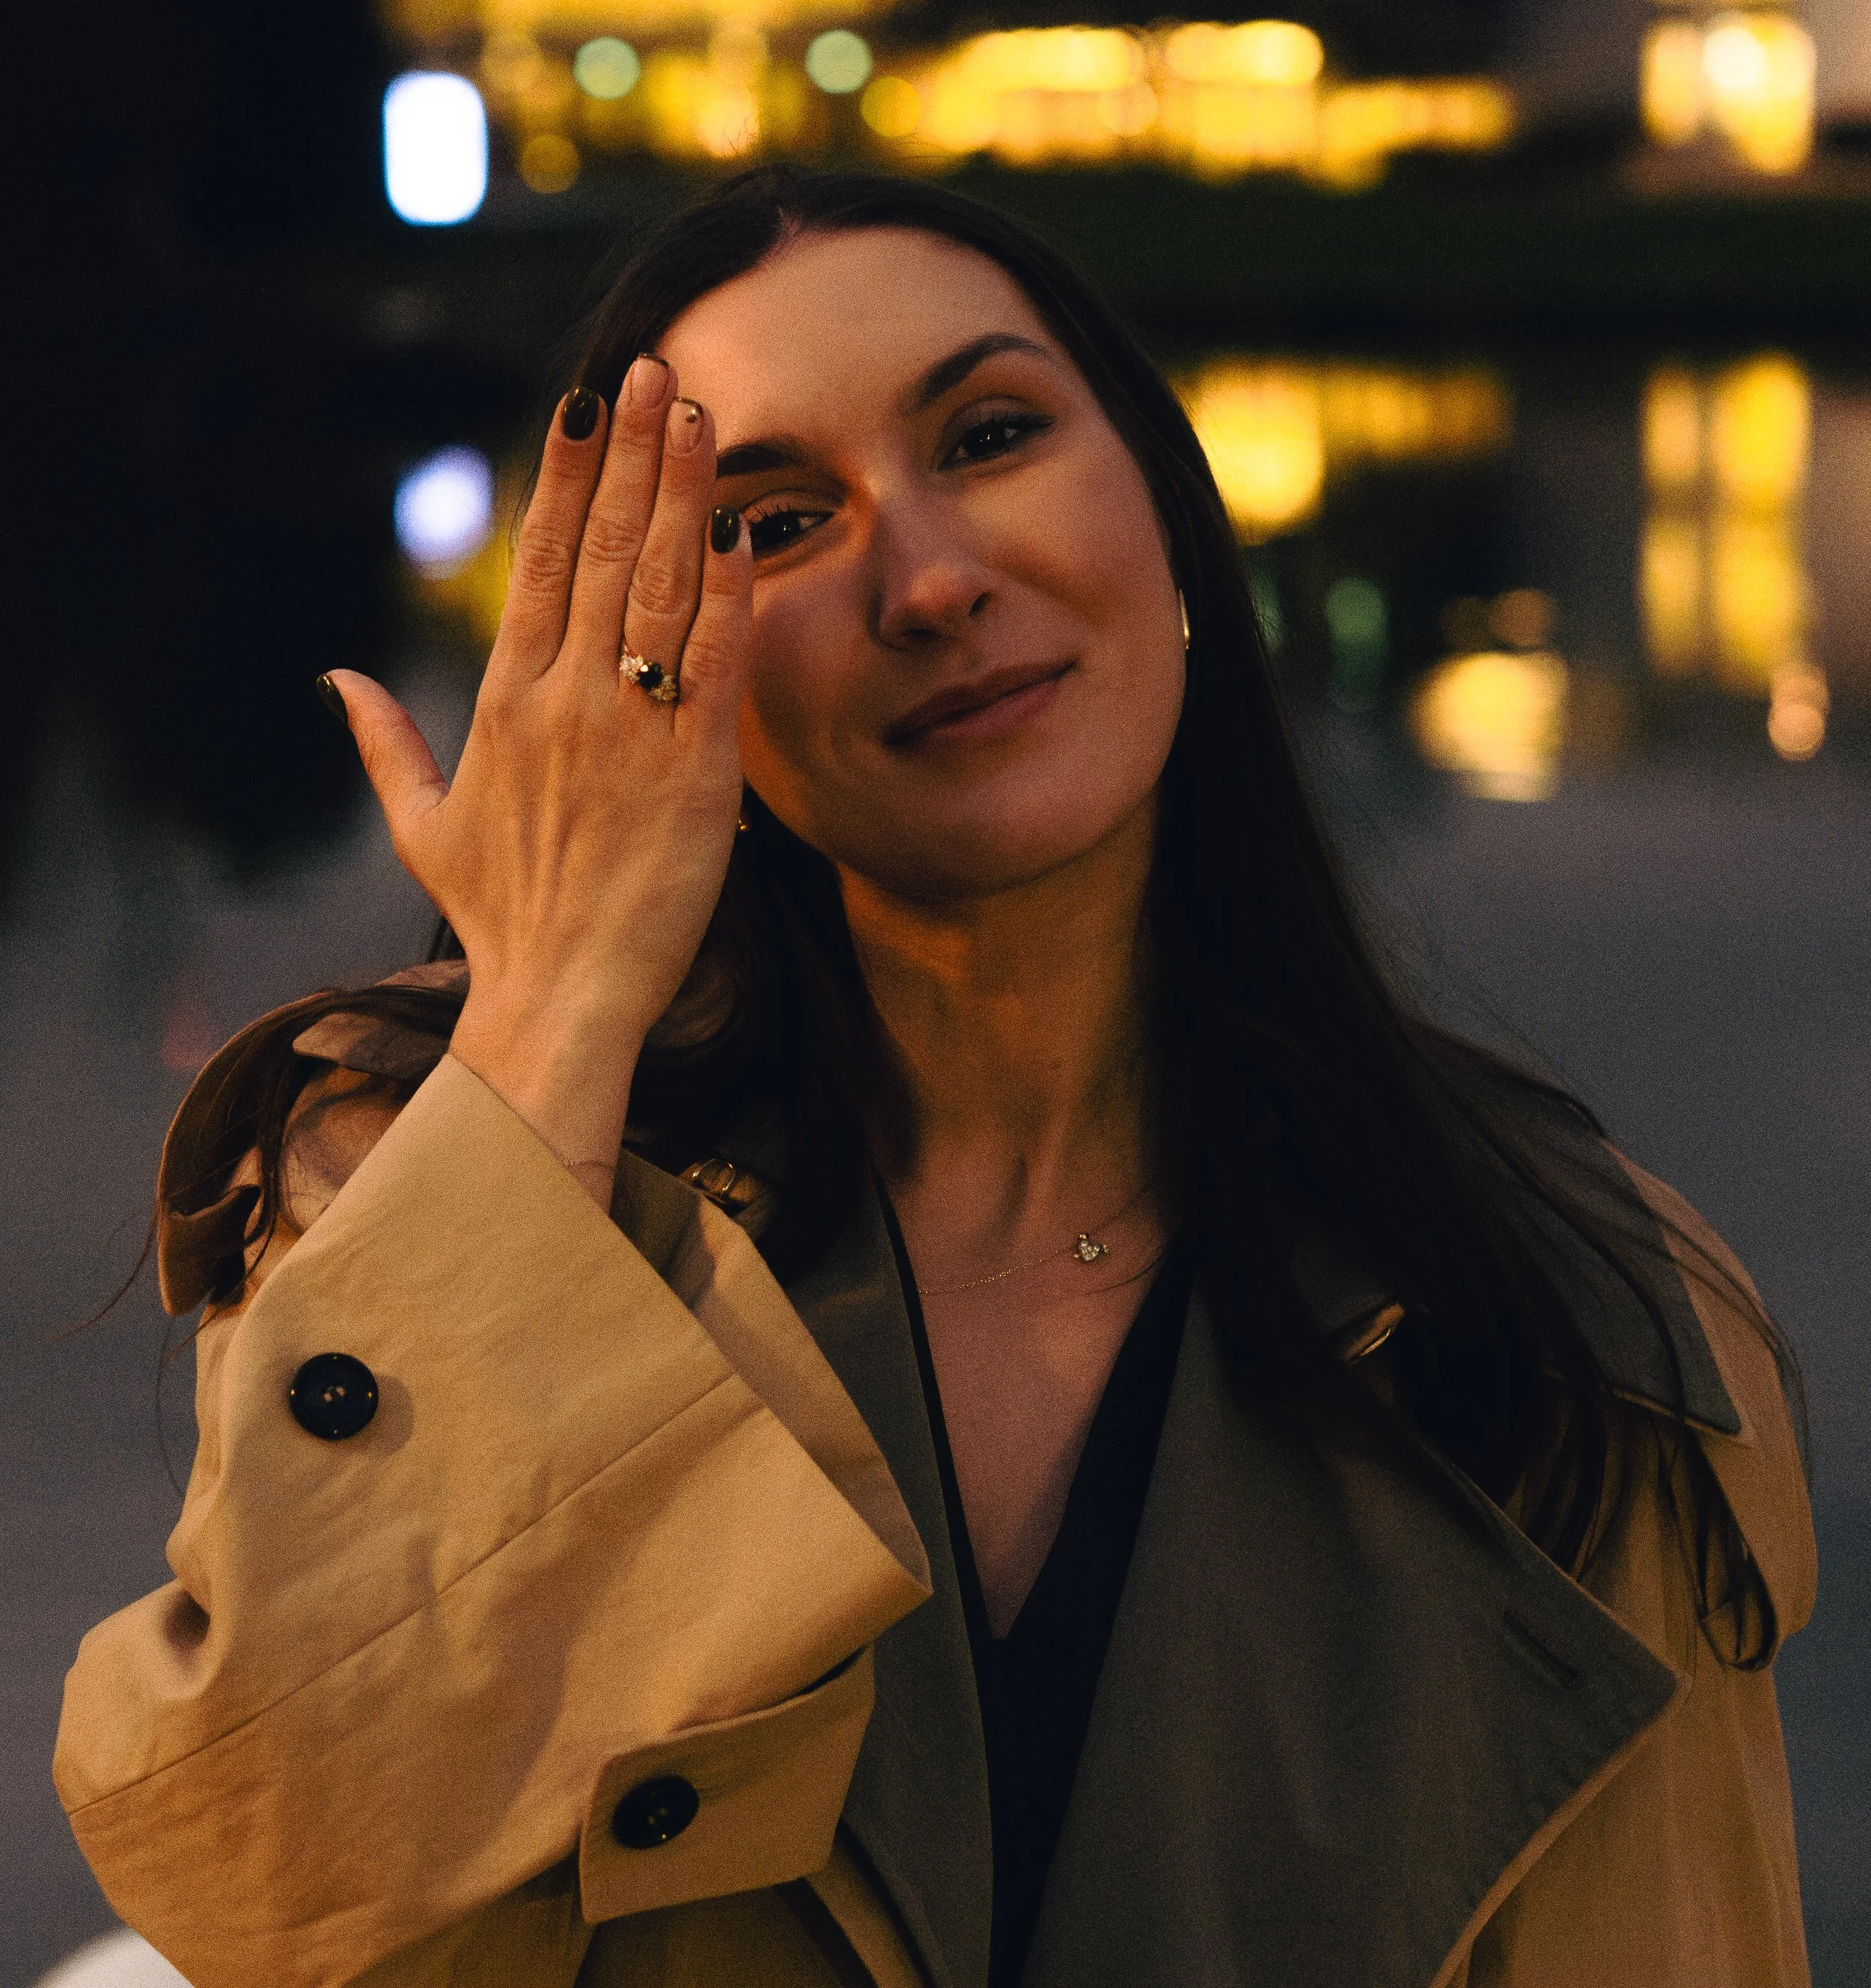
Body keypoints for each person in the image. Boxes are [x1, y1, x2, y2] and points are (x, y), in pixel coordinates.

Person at [56, 168, 1813, 1988]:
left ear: (1165, 516)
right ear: (657, 649)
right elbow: (268, 1875)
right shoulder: (438, 1175)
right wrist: (550, 1013)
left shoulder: (1560, 1309)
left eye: (987, 433)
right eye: (768, 518)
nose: (933, 578)